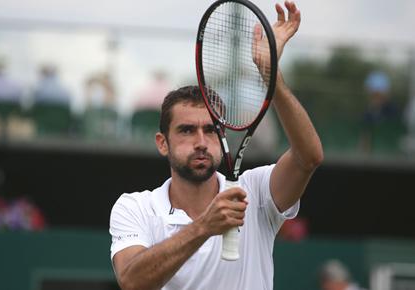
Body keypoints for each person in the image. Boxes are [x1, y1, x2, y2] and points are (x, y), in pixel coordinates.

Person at [109, 2, 323, 290]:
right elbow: (132, 281)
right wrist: (204, 227)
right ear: (163, 143)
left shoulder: (256, 192)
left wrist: (273, 79)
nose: (200, 142)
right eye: (186, 130)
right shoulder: (135, 208)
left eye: (210, 130)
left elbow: (308, 157)